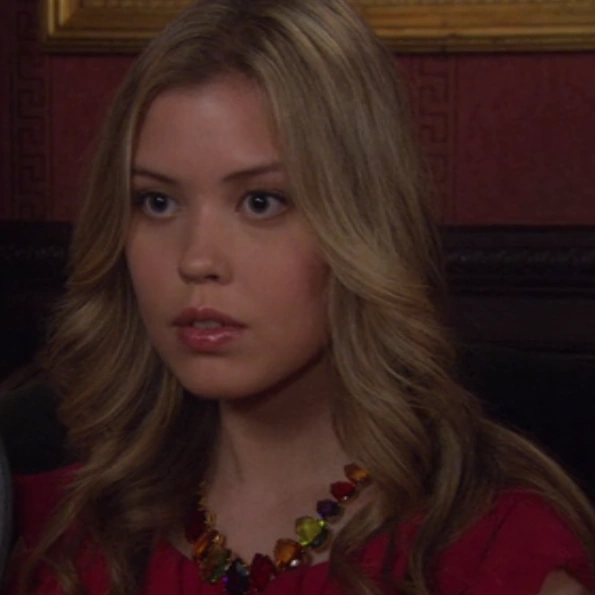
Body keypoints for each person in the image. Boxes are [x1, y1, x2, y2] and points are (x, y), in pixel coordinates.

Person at [2, 0, 594, 594]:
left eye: (262, 202)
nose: (196, 259)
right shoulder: (54, 533)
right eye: (158, 202)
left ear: (361, 224)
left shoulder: (498, 553)